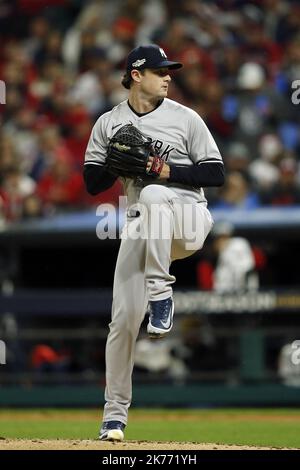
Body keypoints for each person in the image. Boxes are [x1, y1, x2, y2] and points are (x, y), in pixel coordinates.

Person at [83, 44, 225, 441]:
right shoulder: (108, 123)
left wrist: (161, 169)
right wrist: (116, 161)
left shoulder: (185, 118)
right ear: (136, 74)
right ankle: (114, 417)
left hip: (188, 220)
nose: (168, 76)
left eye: (170, 71)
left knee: (153, 193)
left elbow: (216, 173)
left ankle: (161, 295)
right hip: (142, 228)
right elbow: (93, 183)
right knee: (123, 320)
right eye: (161, 70)